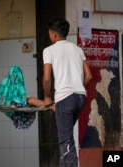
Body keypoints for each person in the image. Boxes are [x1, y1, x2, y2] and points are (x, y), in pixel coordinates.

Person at [42, 18, 92, 167]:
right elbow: (88, 76)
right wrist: (76, 86)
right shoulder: (77, 49)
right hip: (80, 97)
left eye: (50, 34)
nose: (50, 36)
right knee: (66, 137)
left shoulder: (49, 50)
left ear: (54, 35)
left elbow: (46, 78)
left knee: (66, 142)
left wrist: (47, 97)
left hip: (65, 99)